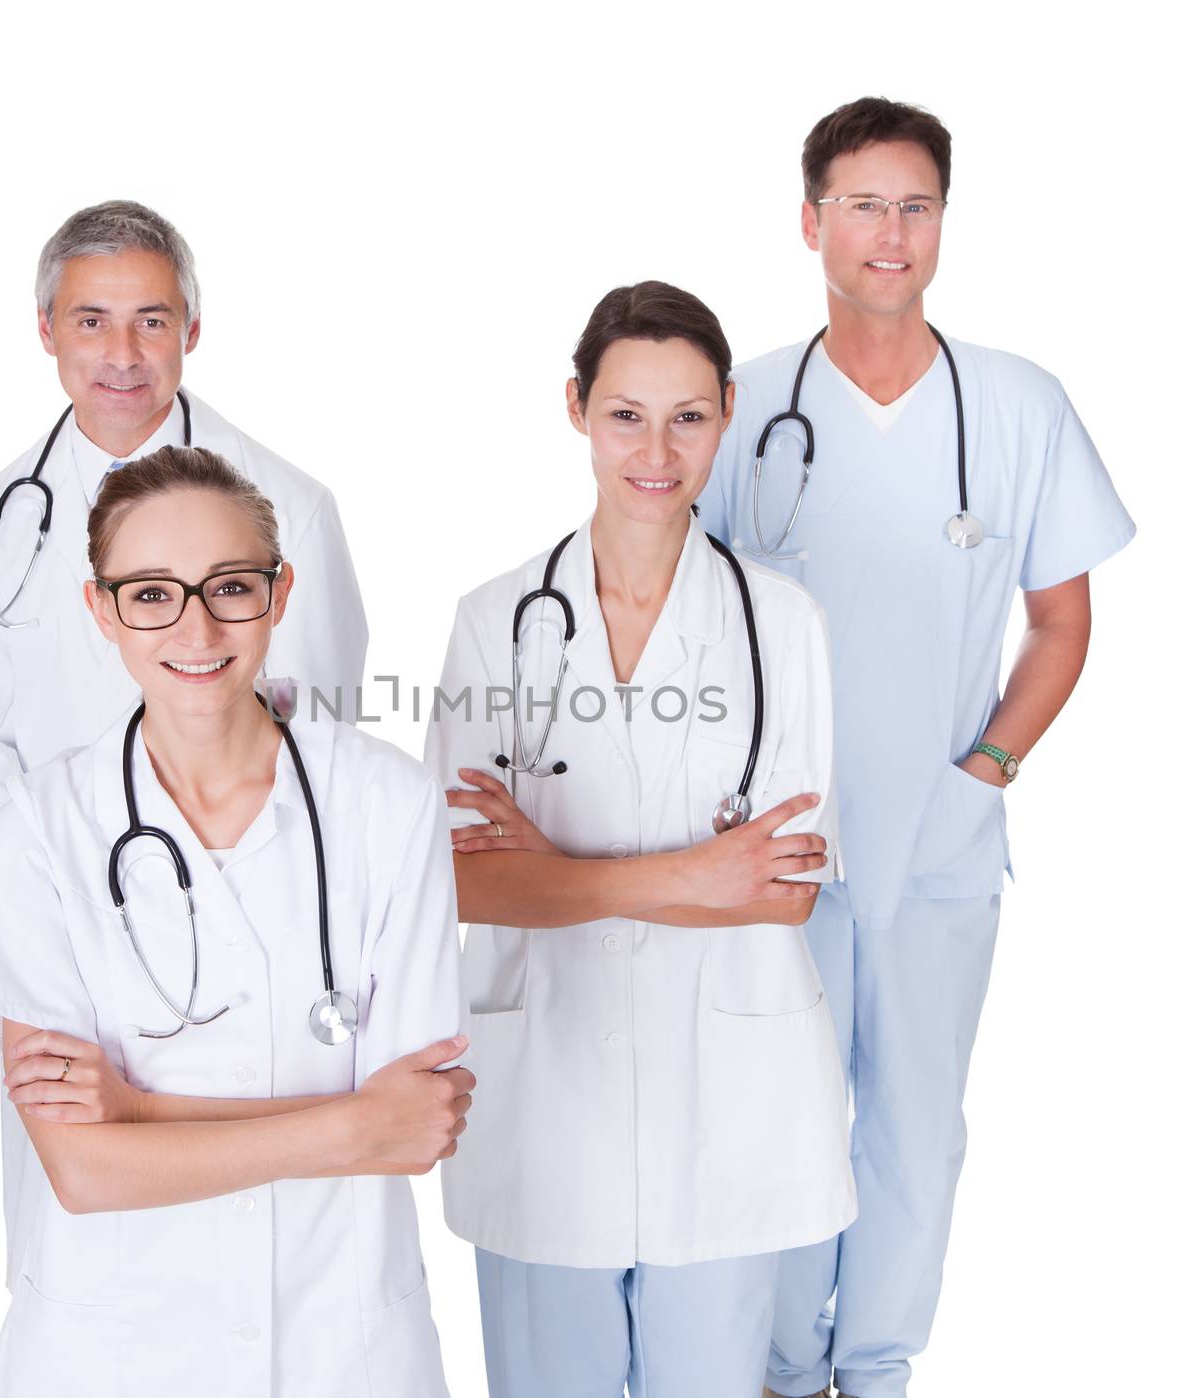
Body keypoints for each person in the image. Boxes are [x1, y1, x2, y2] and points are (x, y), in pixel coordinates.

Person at [697, 99, 1136, 1398]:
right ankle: (780, 1368)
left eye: (915, 205)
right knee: (777, 1121)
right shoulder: (738, 405)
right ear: (809, 220)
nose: (890, 234)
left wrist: (983, 772)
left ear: (943, 220)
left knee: (915, 1134)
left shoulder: (1014, 404)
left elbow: (1061, 621)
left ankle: (875, 1367)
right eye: (863, 204)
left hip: (938, 838)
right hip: (771, 834)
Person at [0, 446, 466, 1396]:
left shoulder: (388, 804)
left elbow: (415, 1132)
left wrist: (139, 1109)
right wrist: (351, 1122)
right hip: (116, 1349)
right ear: (100, 609)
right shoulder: (42, 832)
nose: (195, 624)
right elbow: (83, 1170)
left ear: (280, 592)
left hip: (338, 1345)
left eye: (229, 586)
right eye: (151, 594)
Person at [425, 282, 855, 1398]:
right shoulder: (496, 620)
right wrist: (697, 873)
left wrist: (557, 872)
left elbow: (784, 895)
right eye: (625, 414)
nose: (656, 451)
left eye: (688, 417)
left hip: (730, 1101)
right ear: (575, 407)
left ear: (726, 413)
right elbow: (467, 886)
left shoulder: (781, 627)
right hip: (543, 1096)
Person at [0, 199, 366, 859]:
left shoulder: (291, 506)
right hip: (52, 890)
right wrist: (41, 887)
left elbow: (314, 727)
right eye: (91, 321)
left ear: (191, 331)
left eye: (152, 321)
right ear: (47, 331)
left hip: (237, 886)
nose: (123, 355)